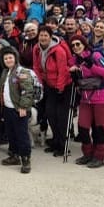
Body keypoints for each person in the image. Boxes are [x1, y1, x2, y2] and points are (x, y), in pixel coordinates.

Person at [69, 35, 104, 168]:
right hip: (85, 98)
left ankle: (99, 157)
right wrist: (73, 74)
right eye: (73, 45)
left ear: (84, 44)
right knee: (82, 127)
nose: (75, 47)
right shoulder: (75, 60)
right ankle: (87, 154)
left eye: (78, 44)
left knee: (100, 129)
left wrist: (92, 66)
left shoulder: (95, 56)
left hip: (102, 97)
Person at [32, 25, 72, 157]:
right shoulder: (36, 48)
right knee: (50, 115)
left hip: (63, 86)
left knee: (61, 117)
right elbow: (36, 67)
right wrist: (40, 83)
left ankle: (63, 145)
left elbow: (63, 71)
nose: (43, 38)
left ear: (50, 37)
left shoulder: (58, 50)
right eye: (41, 35)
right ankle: (56, 140)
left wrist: (60, 88)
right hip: (48, 85)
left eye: (46, 35)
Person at [0, 46, 35, 173]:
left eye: (10, 57)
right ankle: (14, 155)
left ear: (15, 58)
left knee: (22, 135)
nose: (8, 60)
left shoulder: (21, 72)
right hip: (7, 109)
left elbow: (28, 91)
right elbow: (2, 87)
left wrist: (23, 107)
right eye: (6, 58)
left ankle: (26, 159)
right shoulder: (5, 72)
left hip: (19, 109)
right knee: (11, 133)